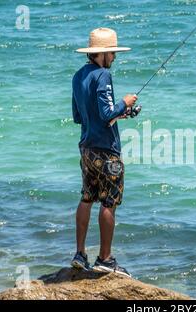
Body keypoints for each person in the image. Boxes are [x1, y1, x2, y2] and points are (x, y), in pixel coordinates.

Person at [71, 28, 137, 277]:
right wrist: (125, 103)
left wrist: (121, 113)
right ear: (103, 53)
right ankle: (105, 259)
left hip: (86, 148)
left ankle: (80, 254)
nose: (114, 58)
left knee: (87, 197)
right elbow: (107, 113)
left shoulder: (78, 76)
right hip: (107, 152)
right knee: (109, 202)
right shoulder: (103, 76)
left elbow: (79, 116)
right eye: (112, 53)